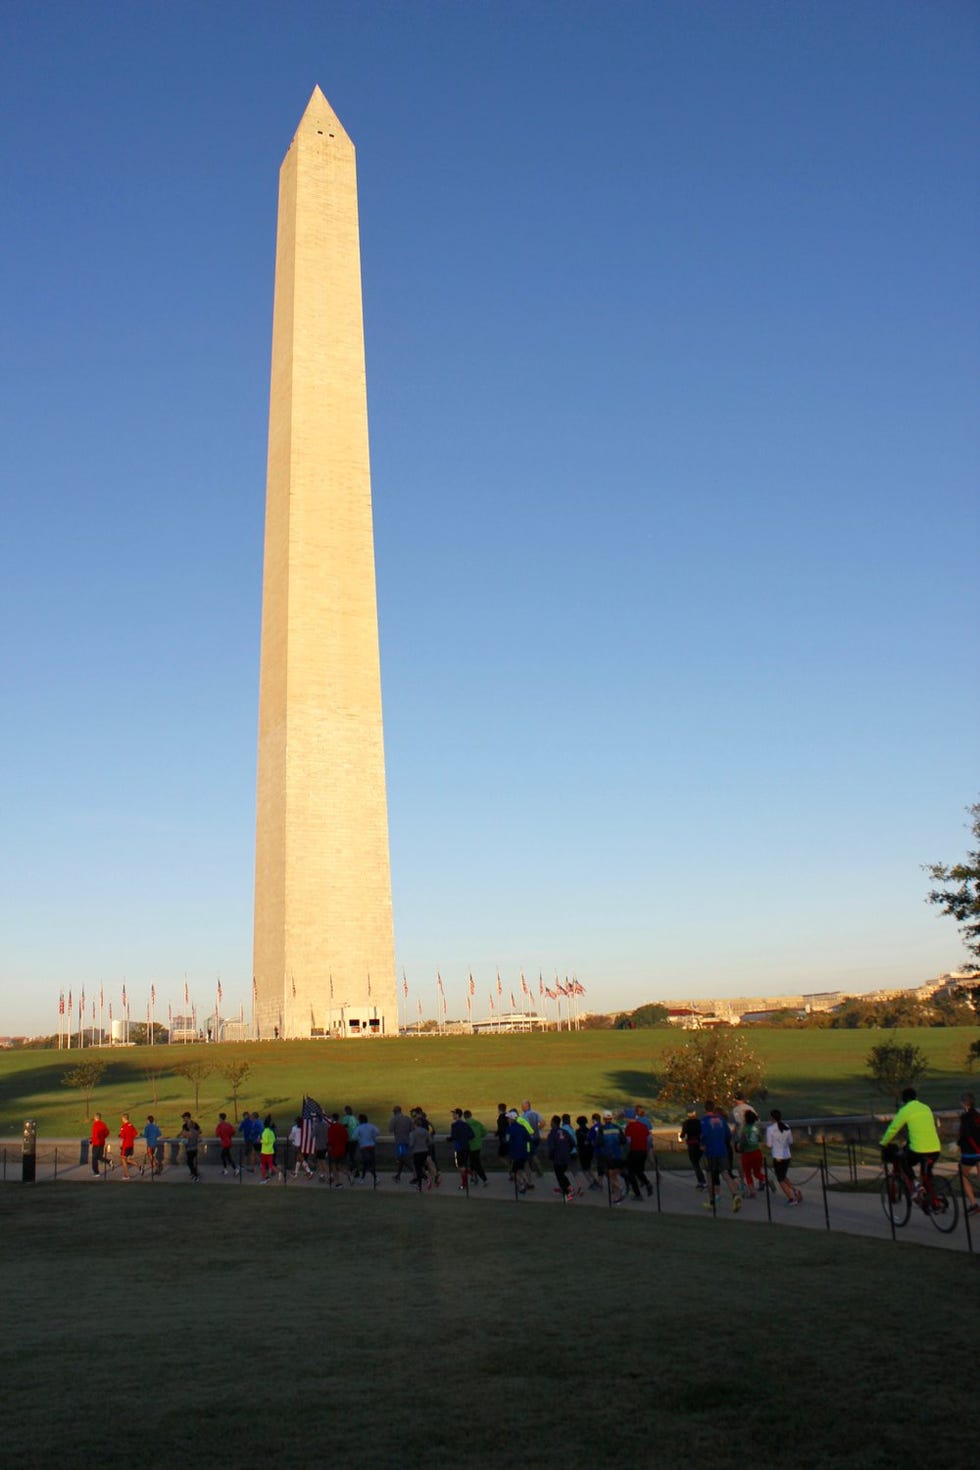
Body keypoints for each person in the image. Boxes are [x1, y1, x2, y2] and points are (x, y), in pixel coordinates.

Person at [879, 1087, 941, 1196]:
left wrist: (883, 1142)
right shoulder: (926, 1107)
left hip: (918, 1149)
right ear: (916, 1097)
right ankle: (932, 1197)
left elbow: (893, 1129)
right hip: (935, 1148)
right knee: (926, 1173)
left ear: (903, 1101)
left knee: (903, 1161)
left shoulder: (905, 1110)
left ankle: (916, 1184)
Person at [700, 1101, 742, 1213]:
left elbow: (703, 1135)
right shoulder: (721, 1120)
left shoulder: (703, 1121)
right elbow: (728, 1134)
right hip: (722, 1150)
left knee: (710, 1176)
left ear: (705, 1109)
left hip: (710, 1152)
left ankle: (711, 1201)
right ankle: (735, 1195)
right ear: (714, 1109)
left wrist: (702, 1144)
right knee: (726, 1174)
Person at [766, 1109, 802, 1205]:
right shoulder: (786, 1127)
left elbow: (769, 1145)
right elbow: (790, 1141)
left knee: (780, 1179)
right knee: (783, 1175)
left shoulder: (770, 1129)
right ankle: (795, 1190)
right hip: (787, 1155)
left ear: (772, 1118)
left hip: (778, 1157)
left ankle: (791, 1198)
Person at [957, 1092, 980, 1215]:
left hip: (970, 1152)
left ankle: (973, 1204)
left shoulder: (965, 1117)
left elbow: (965, 1135)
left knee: (963, 1176)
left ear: (965, 1104)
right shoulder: (978, 1115)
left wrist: (958, 1144)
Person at [623, 1112, 654, 1200]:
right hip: (643, 1151)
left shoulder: (629, 1127)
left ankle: (638, 1194)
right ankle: (648, 1183)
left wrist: (626, 1153)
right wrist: (646, 1149)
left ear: (628, 1118)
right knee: (639, 1170)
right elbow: (649, 1139)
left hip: (634, 1151)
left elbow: (628, 1142)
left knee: (631, 1173)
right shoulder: (643, 1126)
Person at [737, 1109, 766, 1197]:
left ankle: (752, 1192)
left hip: (747, 1153)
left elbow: (743, 1142)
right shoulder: (755, 1128)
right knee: (757, 1172)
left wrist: (739, 1147)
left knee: (748, 1173)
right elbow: (760, 1138)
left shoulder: (744, 1129)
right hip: (757, 1152)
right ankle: (765, 1179)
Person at [547, 1115, 575, 1202]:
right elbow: (572, 1143)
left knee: (559, 1176)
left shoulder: (552, 1133)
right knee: (562, 1174)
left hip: (557, 1158)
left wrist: (551, 1156)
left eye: (551, 1121)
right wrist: (567, 1151)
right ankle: (570, 1187)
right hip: (566, 1157)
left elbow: (551, 1147)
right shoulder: (565, 1132)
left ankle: (567, 1194)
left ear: (554, 1123)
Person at [506, 1109, 533, 1193]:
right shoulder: (522, 1127)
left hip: (516, 1153)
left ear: (512, 1119)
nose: (507, 1119)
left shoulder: (509, 1129)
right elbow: (529, 1139)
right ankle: (527, 1182)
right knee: (523, 1167)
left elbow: (507, 1140)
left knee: (514, 1172)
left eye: (508, 1118)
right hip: (524, 1152)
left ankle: (522, 1184)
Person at [679, 1109, 706, 1189]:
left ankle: (701, 1181)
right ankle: (702, 1179)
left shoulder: (686, 1123)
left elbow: (682, 1135)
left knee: (695, 1163)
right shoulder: (699, 1122)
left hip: (692, 1144)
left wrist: (682, 1136)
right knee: (699, 1162)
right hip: (700, 1143)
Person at [449, 1109, 474, 1189]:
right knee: (464, 1165)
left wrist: (449, 1139)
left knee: (460, 1167)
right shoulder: (466, 1124)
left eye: (454, 1114)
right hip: (466, 1147)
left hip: (459, 1147)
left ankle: (464, 1184)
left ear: (457, 1115)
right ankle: (470, 1173)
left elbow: (454, 1137)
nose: (453, 1116)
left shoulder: (454, 1125)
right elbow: (472, 1135)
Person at [463, 1109, 489, 1185]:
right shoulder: (477, 1123)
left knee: (476, 1163)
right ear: (471, 1115)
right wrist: (479, 1137)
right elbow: (484, 1132)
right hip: (478, 1145)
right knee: (472, 1162)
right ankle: (474, 1177)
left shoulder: (465, 1125)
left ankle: (484, 1179)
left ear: (464, 1117)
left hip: (470, 1146)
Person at [388, 1104, 413, 1182]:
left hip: (400, 1142)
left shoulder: (394, 1119)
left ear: (395, 1112)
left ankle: (416, 1172)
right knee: (402, 1159)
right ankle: (398, 1176)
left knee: (402, 1158)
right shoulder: (407, 1118)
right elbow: (412, 1129)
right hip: (407, 1141)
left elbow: (390, 1130)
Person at [575, 1115, 600, 1191]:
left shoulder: (578, 1131)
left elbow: (577, 1142)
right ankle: (595, 1180)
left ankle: (592, 1183)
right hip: (590, 1150)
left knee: (584, 1169)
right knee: (588, 1167)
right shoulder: (589, 1130)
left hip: (582, 1151)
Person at [354, 1113, 379, 1184]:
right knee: (368, 1162)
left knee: (367, 1163)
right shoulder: (371, 1126)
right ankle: (364, 1178)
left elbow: (354, 1136)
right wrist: (372, 1137)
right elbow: (377, 1132)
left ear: (360, 1120)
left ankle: (375, 1177)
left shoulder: (359, 1127)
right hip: (371, 1147)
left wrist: (360, 1138)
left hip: (364, 1147)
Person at [327, 1113, 350, 1187]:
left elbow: (330, 1140)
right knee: (339, 1166)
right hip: (342, 1149)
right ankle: (349, 1174)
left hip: (334, 1150)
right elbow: (346, 1138)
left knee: (333, 1166)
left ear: (333, 1118)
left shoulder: (331, 1128)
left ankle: (338, 1182)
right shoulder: (342, 1127)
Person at [521, 1101, 544, 1176]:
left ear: (526, 1106)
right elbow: (543, 1123)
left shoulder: (523, 1116)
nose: (521, 1108)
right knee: (532, 1153)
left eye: (522, 1106)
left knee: (531, 1154)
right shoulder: (536, 1113)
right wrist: (538, 1129)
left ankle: (538, 1170)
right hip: (537, 1137)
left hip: (529, 1138)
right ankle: (534, 1169)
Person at [216, 1113, 240, 1177]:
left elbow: (217, 1134)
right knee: (225, 1156)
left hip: (225, 1143)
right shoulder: (228, 1124)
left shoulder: (220, 1125)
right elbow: (233, 1132)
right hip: (229, 1142)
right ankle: (225, 1169)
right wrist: (228, 1136)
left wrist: (222, 1135)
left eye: (219, 1118)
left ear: (220, 1118)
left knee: (226, 1157)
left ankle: (235, 1169)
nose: (218, 1119)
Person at [180, 1112, 202, 1182]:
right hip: (194, 1147)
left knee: (190, 1162)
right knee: (192, 1162)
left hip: (190, 1148)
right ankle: (194, 1173)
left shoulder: (190, 1129)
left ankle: (195, 1175)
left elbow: (185, 1136)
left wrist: (185, 1137)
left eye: (184, 1117)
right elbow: (198, 1134)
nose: (183, 1119)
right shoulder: (186, 1127)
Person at [118, 1113, 139, 1179]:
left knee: (123, 1159)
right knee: (127, 1159)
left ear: (124, 1118)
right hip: (131, 1144)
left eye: (122, 1118)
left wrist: (119, 1135)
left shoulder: (123, 1127)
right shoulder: (131, 1125)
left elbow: (122, 1136)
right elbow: (135, 1134)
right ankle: (139, 1167)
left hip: (125, 1145)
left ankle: (127, 1175)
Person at [259, 1115, 279, 1182]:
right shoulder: (271, 1132)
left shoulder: (265, 1132)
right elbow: (273, 1140)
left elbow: (266, 1141)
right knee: (271, 1164)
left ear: (264, 1125)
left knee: (263, 1165)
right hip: (271, 1151)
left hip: (264, 1151)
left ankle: (264, 1178)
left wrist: (260, 1140)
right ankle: (279, 1173)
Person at [90, 1112, 109, 1176]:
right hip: (102, 1142)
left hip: (96, 1143)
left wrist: (92, 1141)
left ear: (95, 1118)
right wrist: (103, 1137)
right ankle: (109, 1161)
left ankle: (96, 1172)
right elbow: (107, 1132)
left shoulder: (95, 1125)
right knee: (99, 1157)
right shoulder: (103, 1124)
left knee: (94, 1158)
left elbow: (95, 1135)